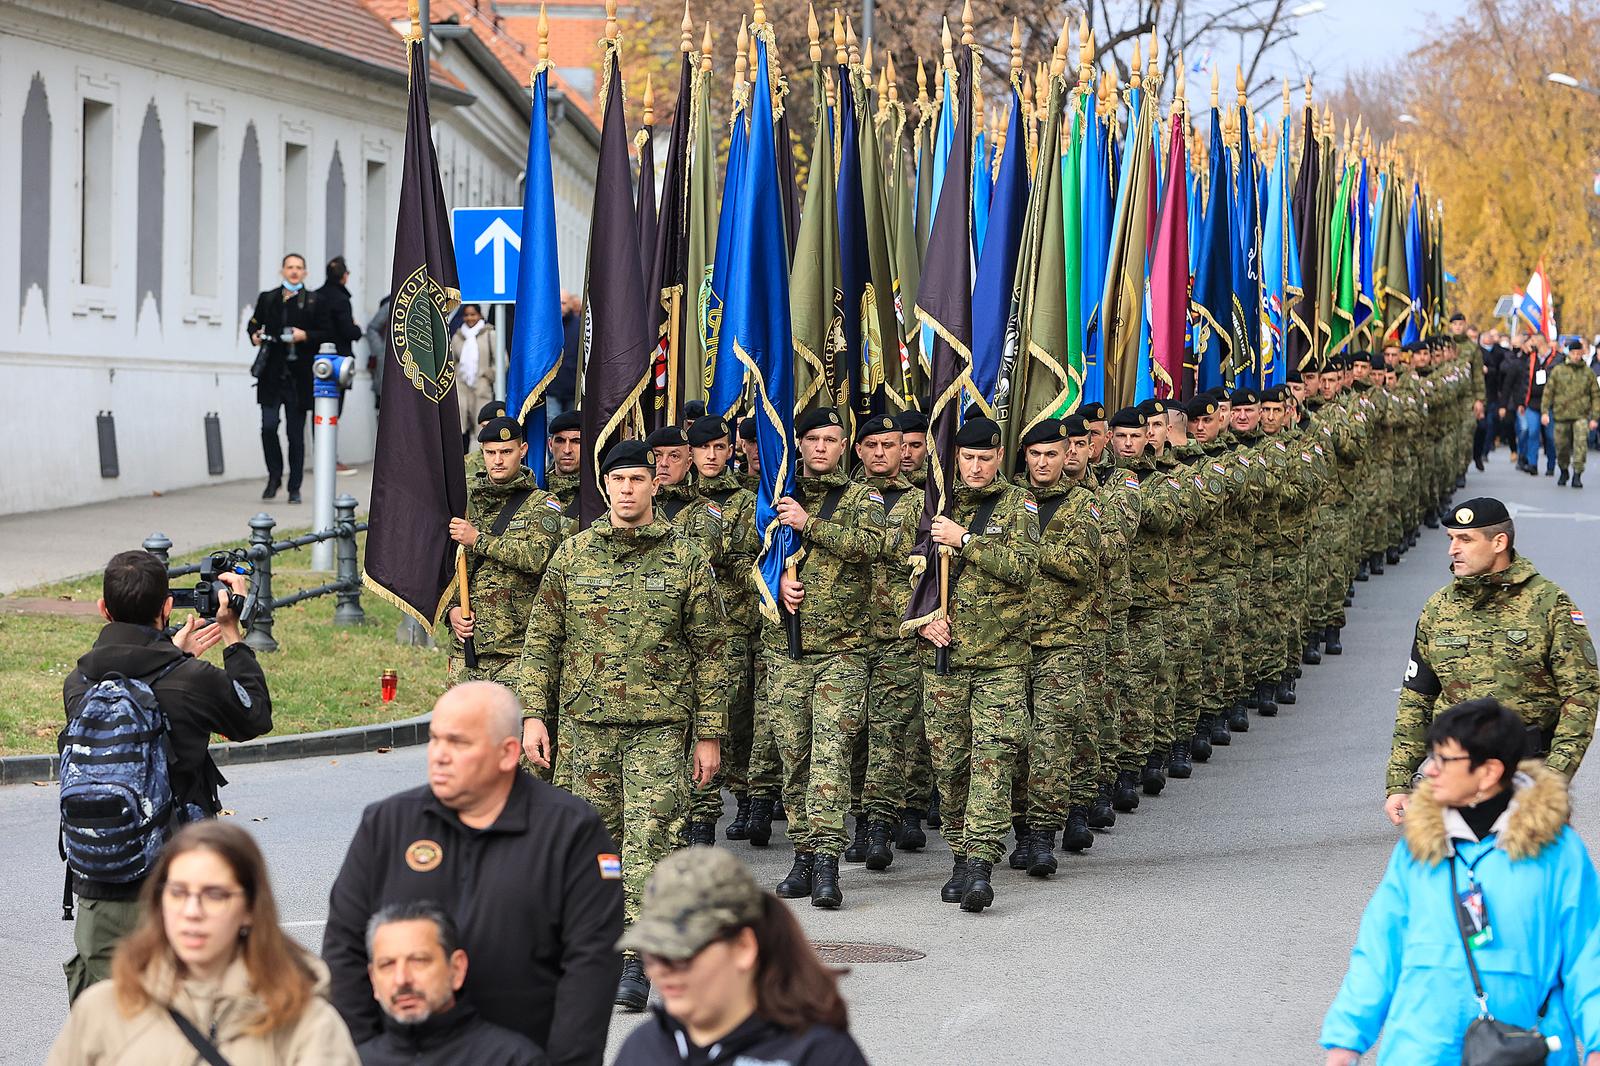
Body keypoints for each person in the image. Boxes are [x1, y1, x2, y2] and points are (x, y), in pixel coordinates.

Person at [515, 441, 728, 1012]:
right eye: (618, 479)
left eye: (638, 478)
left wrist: (709, 732)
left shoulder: (685, 558)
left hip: (660, 725)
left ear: (655, 485)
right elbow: (541, 643)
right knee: (591, 846)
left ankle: (637, 959)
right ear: (604, 486)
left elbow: (713, 651)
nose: (628, 489)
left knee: (651, 839)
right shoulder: (573, 556)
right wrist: (534, 715)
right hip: (586, 727)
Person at [323, 682, 623, 1066]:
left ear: (508, 753)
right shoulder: (387, 824)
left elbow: (591, 968)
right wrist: (365, 1054)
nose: (439, 756)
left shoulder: (570, 831)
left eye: (458, 743)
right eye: (434, 739)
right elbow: (344, 950)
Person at [1322, 699, 1600, 1066]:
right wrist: (1345, 1042)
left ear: (1487, 773)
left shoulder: (1557, 853)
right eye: (1431, 758)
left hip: (1523, 1046)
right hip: (1420, 1047)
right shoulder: (1418, 849)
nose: (1430, 772)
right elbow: (1379, 949)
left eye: (1444, 760)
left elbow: (1588, 954)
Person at [60, 550, 272, 1003]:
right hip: (179, 891)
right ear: (167, 607)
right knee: (186, 1029)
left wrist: (171, 657)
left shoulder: (79, 682)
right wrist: (233, 634)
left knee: (108, 1033)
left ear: (103, 609)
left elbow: (133, 684)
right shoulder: (191, 680)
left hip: (100, 887)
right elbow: (253, 716)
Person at [47, 822, 358, 1065]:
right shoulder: (101, 1011)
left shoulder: (306, 1023)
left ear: (250, 909)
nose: (192, 912)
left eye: (214, 895)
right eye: (178, 893)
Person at [1384, 498, 1599, 826]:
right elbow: (1416, 697)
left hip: (1527, 777)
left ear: (1500, 542)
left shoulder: (1549, 604)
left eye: (1465, 540)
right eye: (1451, 539)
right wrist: (1399, 782)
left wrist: (1555, 778)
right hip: (1453, 781)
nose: (1452, 549)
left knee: (1530, 874)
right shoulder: (1438, 609)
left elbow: (1581, 695)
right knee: (1449, 875)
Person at [915, 415, 1039, 913]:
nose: (976, 466)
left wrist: (965, 540)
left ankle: (980, 865)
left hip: (1000, 659)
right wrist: (922, 621)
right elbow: (908, 581)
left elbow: (1025, 568)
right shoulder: (933, 506)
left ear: (998, 458)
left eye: (985, 458)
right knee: (950, 764)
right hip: (944, 658)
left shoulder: (1018, 505)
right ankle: (960, 851)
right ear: (955, 458)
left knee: (993, 758)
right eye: (967, 458)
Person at [768, 408, 885, 911]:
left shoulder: (862, 496)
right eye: (812, 438)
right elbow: (746, 556)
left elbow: (872, 545)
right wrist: (777, 582)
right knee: (794, 755)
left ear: (845, 446)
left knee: (831, 757)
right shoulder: (774, 493)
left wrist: (809, 524)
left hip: (842, 650)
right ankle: (802, 850)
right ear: (798, 443)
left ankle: (828, 861)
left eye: (831, 439)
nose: (820, 447)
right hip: (786, 651)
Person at [612, 848, 870, 1066]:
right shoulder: (643, 1048)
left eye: (681, 953)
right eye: (653, 952)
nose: (659, 970)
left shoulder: (819, 1054)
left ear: (743, 947)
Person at [1016, 416, 1101, 873]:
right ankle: (1021, 829)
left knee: (1051, 740)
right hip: (1008, 641)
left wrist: (1024, 548)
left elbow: (1081, 565)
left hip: (1061, 642)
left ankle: (1044, 833)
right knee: (1013, 742)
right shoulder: (1010, 502)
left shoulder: (1082, 506)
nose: (1044, 462)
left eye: (1052, 453)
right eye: (1036, 454)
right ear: (1025, 456)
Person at [445, 417, 567, 686]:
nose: (498, 460)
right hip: (466, 651)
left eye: (506, 452)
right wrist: (450, 611)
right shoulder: (464, 502)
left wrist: (478, 539)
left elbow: (538, 558)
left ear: (522, 451)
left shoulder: (543, 505)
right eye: (491, 453)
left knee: (511, 729)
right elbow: (441, 565)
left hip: (515, 652)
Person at [358, 900, 546, 1066]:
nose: (402, 979)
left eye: (419, 960)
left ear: (457, 969)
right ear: (373, 979)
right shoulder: (353, 1061)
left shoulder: (514, 1060)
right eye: (387, 965)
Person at [248, 252, 332, 504]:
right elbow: (253, 325)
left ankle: (295, 486)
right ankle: (274, 475)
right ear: (282, 270)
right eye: (290, 267)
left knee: (295, 435)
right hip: (271, 375)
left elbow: (327, 332)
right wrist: (254, 335)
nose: (294, 271)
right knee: (268, 426)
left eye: (298, 268)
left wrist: (304, 335)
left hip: (300, 377)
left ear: (305, 273)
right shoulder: (268, 298)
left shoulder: (315, 301)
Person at [317, 256, 365, 473]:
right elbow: (349, 331)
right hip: (338, 364)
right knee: (334, 411)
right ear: (344, 277)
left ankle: (322, 456)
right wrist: (356, 328)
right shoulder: (341, 300)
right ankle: (329, 459)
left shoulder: (316, 296)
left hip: (319, 362)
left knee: (320, 411)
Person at [1541, 337, 1600, 488]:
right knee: (1561, 446)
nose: (1576, 356)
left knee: (1580, 445)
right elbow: (1548, 392)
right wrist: (1545, 412)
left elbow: (1595, 395)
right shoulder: (1559, 371)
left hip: (1581, 416)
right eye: (1573, 353)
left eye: (1579, 353)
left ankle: (1577, 474)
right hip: (1561, 416)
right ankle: (1563, 469)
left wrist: (1594, 417)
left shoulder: (1588, 373)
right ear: (1569, 353)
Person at [452, 305, 498, 451]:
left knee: (482, 426)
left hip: (481, 387)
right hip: (462, 387)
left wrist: (488, 375)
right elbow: (451, 361)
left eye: (473, 314)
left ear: (479, 315)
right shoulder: (458, 336)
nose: (470, 318)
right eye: (467, 315)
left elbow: (501, 361)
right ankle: (462, 462)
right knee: (460, 426)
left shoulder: (489, 333)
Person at [545, 410, 582, 513]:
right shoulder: (538, 487)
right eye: (560, 441)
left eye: (576, 441)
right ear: (550, 445)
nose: (567, 450)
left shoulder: (598, 493)